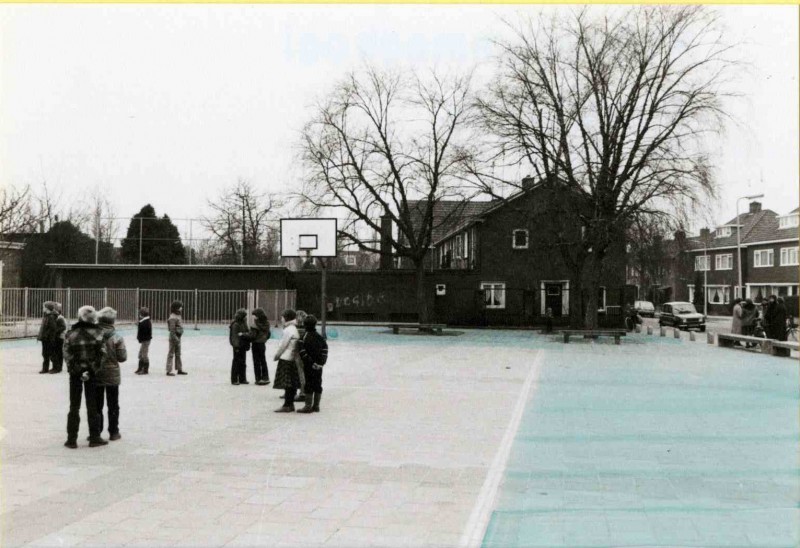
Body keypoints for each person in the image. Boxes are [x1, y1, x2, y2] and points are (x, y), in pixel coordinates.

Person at [62, 305, 106, 448]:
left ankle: (71, 439)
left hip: (75, 374)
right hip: (92, 373)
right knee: (92, 404)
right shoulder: (99, 333)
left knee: (74, 405)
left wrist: (77, 371)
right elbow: (102, 354)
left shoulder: (70, 333)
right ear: (93, 318)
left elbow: (67, 355)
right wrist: (91, 370)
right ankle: (94, 437)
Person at [94, 307, 127, 441]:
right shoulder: (117, 337)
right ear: (113, 321)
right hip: (112, 373)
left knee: (97, 404)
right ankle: (114, 431)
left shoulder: (94, 335)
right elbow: (122, 357)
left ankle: (96, 431)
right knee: (113, 404)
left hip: (96, 372)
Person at [296, 315, 328, 414]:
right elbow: (325, 350)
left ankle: (307, 406)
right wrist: (321, 363)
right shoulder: (320, 337)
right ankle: (316, 406)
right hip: (319, 366)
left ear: (304, 325)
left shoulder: (303, 337)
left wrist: (310, 362)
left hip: (309, 366)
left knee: (308, 384)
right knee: (318, 383)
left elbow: (302, 351)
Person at [273, 309, 300, 412]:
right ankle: (290, 403)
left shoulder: (288, 330)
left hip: (286, 358)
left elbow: (283, 345)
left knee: (287, 383)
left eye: (282, 317)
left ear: (286, 318)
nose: (281, 319)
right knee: (292, 382)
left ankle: (287, 404)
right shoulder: (293, 328)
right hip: (292, 358)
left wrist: (277, 355)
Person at [229, 308, 252, 385]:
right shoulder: (235, 324)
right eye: (245, 316)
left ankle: (242, 378)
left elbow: (248, 333)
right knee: (236, 362)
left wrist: (243, 334)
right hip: (238, 346)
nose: (246, 317)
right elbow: (234, 337)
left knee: (243, 362)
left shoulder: (243, 323)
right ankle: (234, 379)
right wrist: (236, 346)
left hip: (243, 345)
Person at [250, 308, 271, 385]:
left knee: (256, 362)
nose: (253, 317)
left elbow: (252, 336)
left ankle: (258, 378)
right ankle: (266, 377)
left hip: (255, 344)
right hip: (262, 344)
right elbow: (269, 334)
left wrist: (244, 336)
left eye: (254, 315)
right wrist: (264, 339)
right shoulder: (267, 323)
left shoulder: (255, 325)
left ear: (257, 316)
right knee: (263, 361)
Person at [37, 301, 59, 374]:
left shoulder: (51, 317)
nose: (43, 308)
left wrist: (47, 336)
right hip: (45, 338)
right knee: (45, 354)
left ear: (47, 308)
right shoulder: (47, 315)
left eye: (44, 307)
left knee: (51, 354)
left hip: (49, 339)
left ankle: (55, 368)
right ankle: (45, 368)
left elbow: (53, 328)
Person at [166, 300, 187, 376]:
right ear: (176, 308)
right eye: (180, 307)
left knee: (178, 353)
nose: (181, 308)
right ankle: (169, 370)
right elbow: (172, 330)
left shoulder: (178, 315)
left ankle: (179, 369)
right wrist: (176, 338)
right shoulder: (172, 317)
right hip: (174, 337)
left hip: (178, 336)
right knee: (171, 353)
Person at [293, 310, 308, 402]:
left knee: (299, 373)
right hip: (305, 353)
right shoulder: (307, 329)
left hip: (297, 353)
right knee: (303, 372)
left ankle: (302, 393)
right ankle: (303, 391)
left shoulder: (294, 329)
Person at [50, 302, 67, 373]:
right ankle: (57, 367)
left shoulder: (60, 318)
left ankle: (57, 367)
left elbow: (63, 327)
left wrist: (55, 331)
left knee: (57, 353)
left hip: (59, 337)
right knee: (58, 353)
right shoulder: (59, 317)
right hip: (59, 337)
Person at [135, 307, 152, 375]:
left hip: (145, 340)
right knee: (141, 354)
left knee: (144, 355)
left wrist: (140, 339)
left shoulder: (145, 322)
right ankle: (140, 368)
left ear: (141, 314)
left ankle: (145, 370)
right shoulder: (145, 321)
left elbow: (143, 332)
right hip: (144, 340)